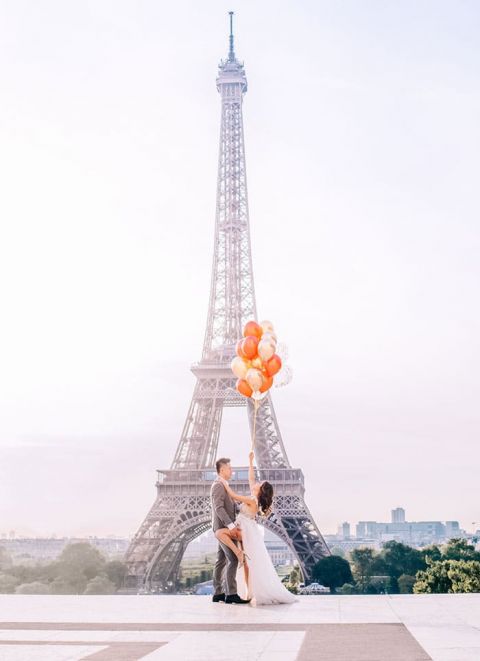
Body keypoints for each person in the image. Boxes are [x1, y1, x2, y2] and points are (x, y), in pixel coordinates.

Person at [216, 450, 298, 606]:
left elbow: (233, 496)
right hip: (247, 529)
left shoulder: (252, 500)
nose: (256, 483)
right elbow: (251, 477)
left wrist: (224, 483)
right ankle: (248, 592)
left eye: (259, 484)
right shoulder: (254, 498)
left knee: (220, 533)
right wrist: (250, 461)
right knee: (247, 565)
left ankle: (238, 556)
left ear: (260, 490)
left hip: (245, 529)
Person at [210, 457, 251, 604]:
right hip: (224, 528)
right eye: (229, 468)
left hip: (223, 527)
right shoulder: (218, 485)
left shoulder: (223, 485)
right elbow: (218, 508)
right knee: (233, 559)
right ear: (222, 469)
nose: (231, 470)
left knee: (221, 560)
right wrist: (231, 526)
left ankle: (218, 593)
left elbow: (230, 506)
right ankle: (231, 594)